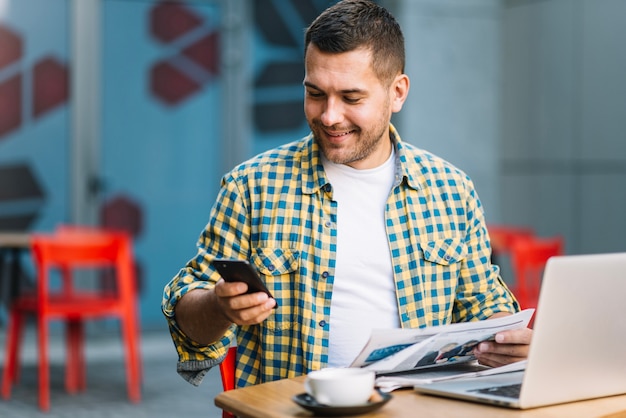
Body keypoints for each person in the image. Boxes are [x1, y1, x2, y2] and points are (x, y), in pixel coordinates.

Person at [161, 0, 532, 388]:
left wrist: (509, 341)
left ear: (398, 92)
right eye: (315, 93)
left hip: (416, 409)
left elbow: (485, 307)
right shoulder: (251, 187)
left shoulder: (451, 190)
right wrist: (220, 307)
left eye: (351, 98)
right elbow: (191, 327)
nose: (329, 116)